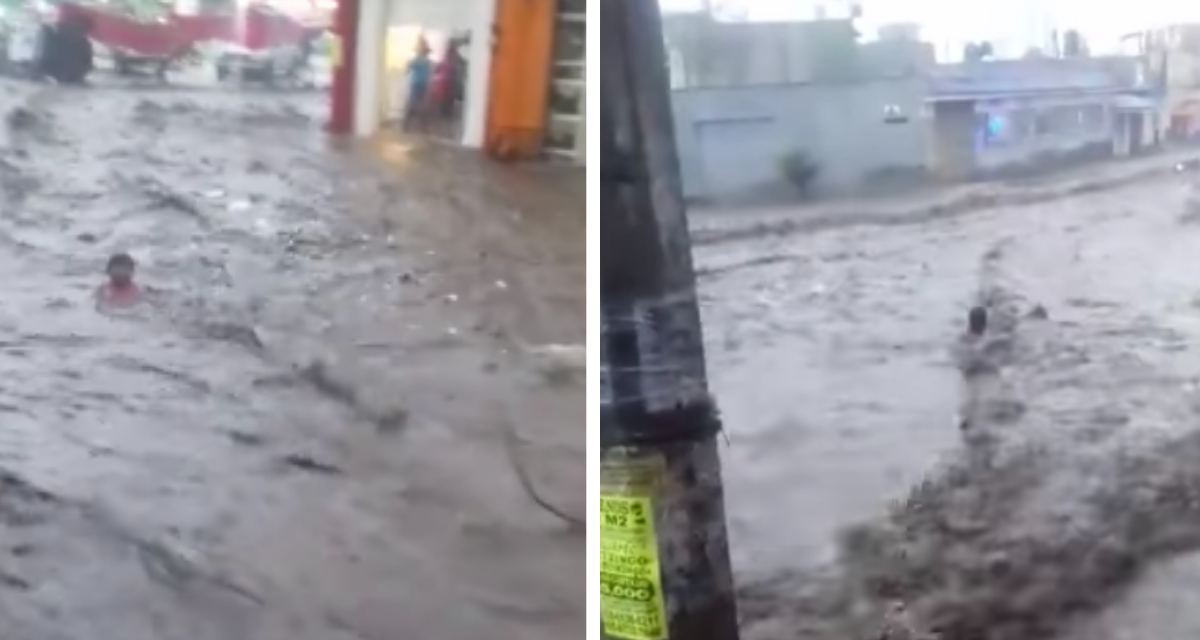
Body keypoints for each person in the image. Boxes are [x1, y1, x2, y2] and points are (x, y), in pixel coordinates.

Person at [401, 39, 433, 132]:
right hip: (421, 84)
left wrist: (408, 68)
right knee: (419, 105)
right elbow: (408, 69)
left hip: (418, 84)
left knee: (415, 104)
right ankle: (419, 127)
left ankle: (408, 126)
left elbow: (407, 70)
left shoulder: (419, 60)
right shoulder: (425, 61)